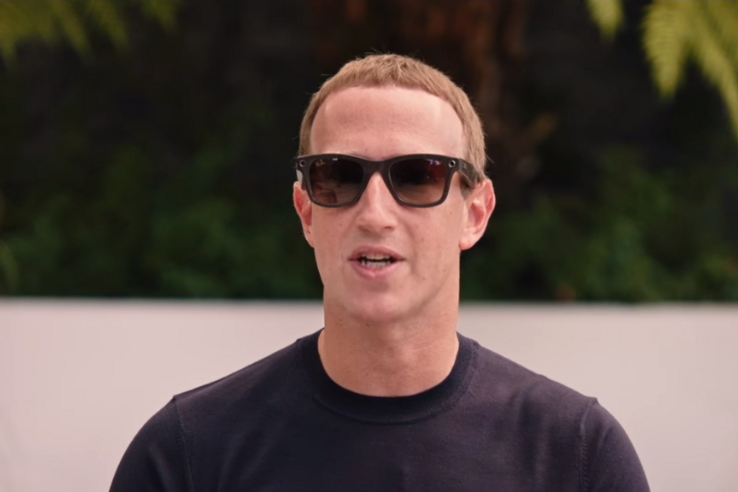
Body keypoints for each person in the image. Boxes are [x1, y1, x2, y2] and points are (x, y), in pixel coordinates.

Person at [110, 53, 649, 492]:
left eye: (417, 176)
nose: (373, 213)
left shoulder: (577, 455)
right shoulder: (187, 456)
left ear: (475, 214)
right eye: (338, 176)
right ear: (306, 213)